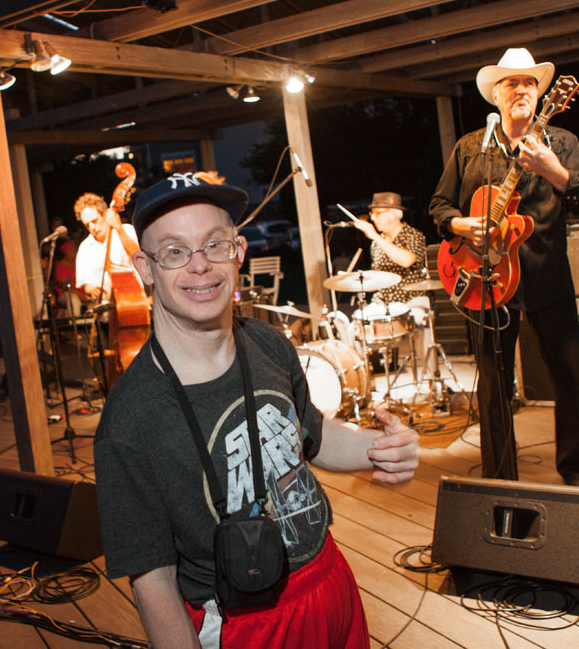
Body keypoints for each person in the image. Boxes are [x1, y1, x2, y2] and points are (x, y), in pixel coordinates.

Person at [94, 172, 420, 648]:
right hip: (244, 623)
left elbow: (313, 437)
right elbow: (153, 581)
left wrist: (381, 448)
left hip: (330, 579)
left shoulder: (267, 342)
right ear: (145, 268)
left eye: (214, 246)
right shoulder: (130, 420)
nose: (200, 266)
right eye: (175, 252)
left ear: (239, 252)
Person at [429, 48, 579, 485]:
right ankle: (500, 478)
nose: (522, 89)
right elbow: (438, 204)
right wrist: (458, 223)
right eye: (512, 83)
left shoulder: (560, 143)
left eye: (529, 82)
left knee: (569, 379)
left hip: (547, 277)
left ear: (543, 93)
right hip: (486, 281)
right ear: (497, 95)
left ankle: (576, 474)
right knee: (493, 387)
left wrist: (554, 171)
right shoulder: (472, 147)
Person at [350, 192, 428, 304]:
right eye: (371, 213)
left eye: (378, 213)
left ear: (393, 213)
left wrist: (375, 236)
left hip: (411, 301)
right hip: (383, 303)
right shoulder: (377, 243)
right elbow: (377, 280)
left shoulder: (412, 235)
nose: (372, 218)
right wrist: (357, 281)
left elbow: (407, 261)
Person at [73, 192, 143, 305]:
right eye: (87, 224)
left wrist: (119, 229)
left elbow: (139, 257)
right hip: (104, 310)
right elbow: (84, 282)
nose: (92, 227)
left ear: (105, 214)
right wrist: (90, 289)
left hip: (133, 302)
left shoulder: (126, 230)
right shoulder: (85, 247)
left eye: (94, 221)